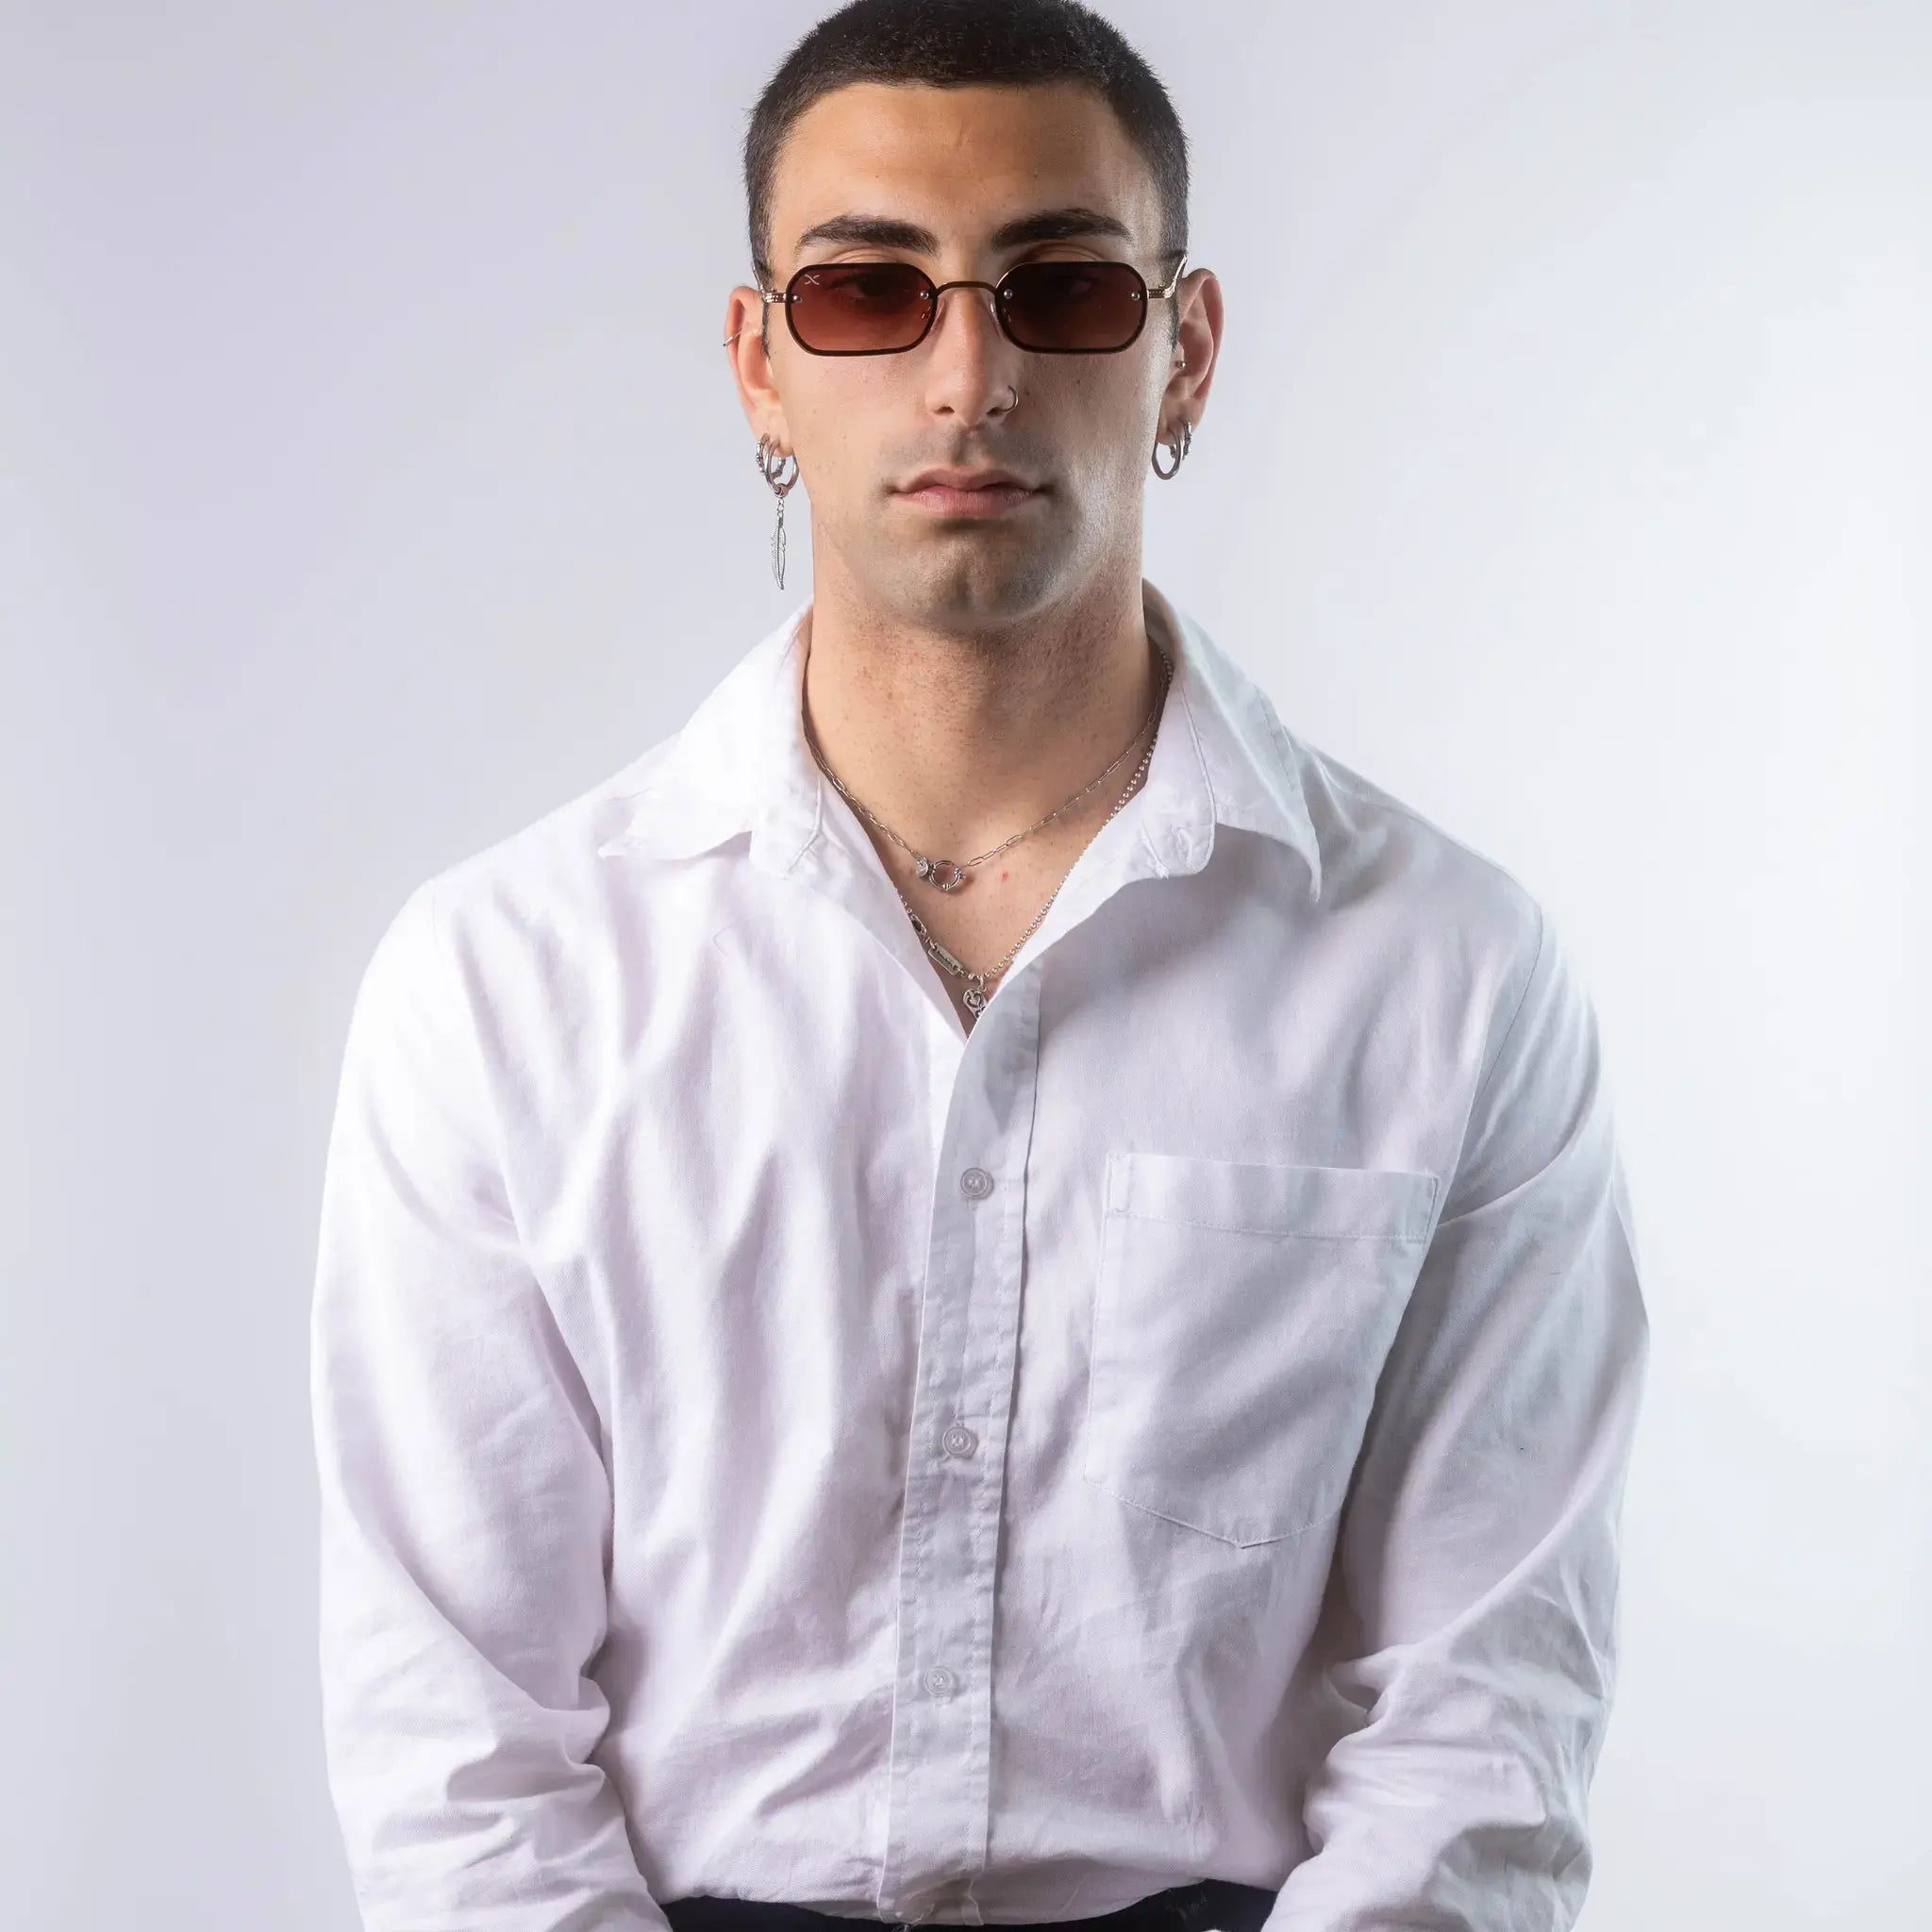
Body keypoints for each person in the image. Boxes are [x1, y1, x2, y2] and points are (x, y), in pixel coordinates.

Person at [308, 3, 1650, 1929]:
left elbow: (1484, 1724)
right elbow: (455, 1736)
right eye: (868, 294)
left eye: (1063, 289)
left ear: (1181, 348)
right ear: (762, 367)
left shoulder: (1445, 976)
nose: (969, 373)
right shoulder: (506, 983)